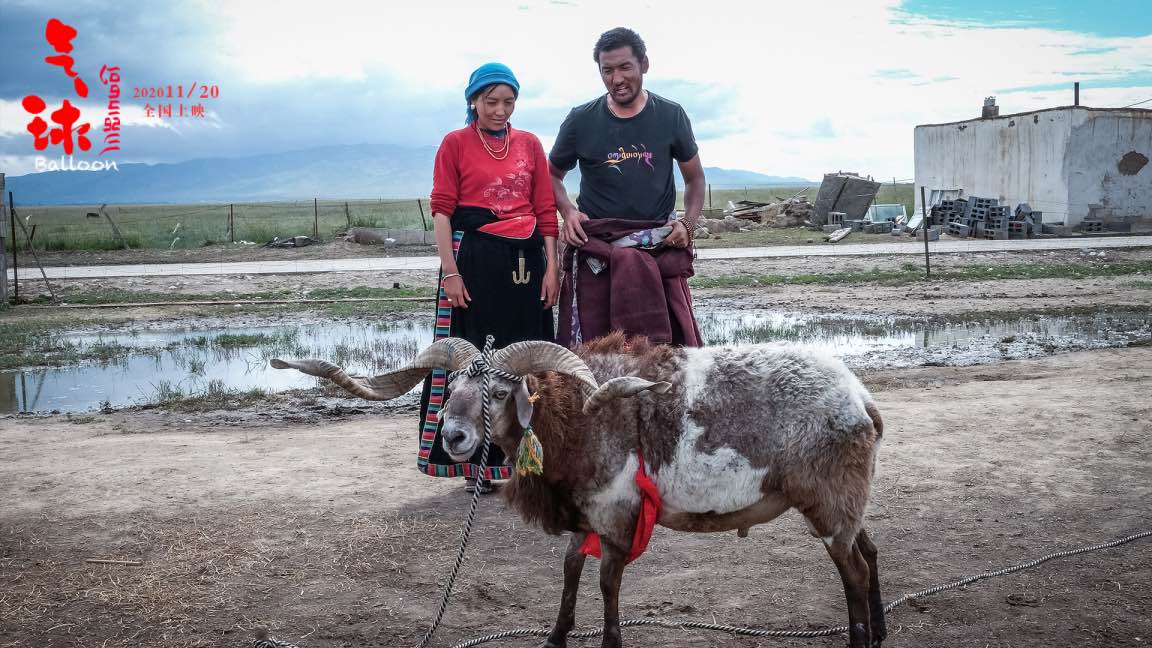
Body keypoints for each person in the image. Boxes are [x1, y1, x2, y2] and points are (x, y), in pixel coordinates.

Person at [418, 62, 560, 493]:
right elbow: (442, 212)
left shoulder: (531, 144)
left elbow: (545, 209)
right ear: (474, 101)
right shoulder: (455, 144)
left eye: (509, 102)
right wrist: (451, 274)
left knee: (526, 364)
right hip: (475, 262)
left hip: (526, 263)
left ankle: (530, 466)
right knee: (474, 360)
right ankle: (475, 467)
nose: (500, 110)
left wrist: (551, 267)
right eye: (491, 101)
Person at [549, 27, 704, 348]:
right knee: (594, 354)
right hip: (598, 252)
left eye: (625, 67)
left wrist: (688, 224)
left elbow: (695, 179)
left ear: (644, 64)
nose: (616, 78)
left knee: (668, 356)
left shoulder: (671, 116)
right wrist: (568, 211)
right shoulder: (581, 120)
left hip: (658, 252)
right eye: (607, 70)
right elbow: (551, 175)